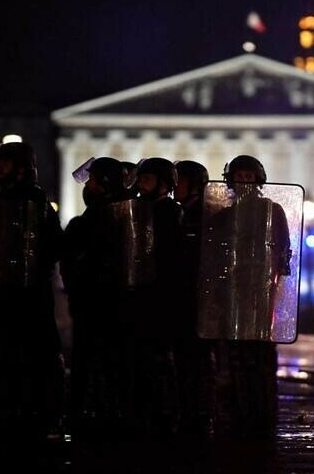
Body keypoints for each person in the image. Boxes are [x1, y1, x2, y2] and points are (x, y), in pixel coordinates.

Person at [0, 141, 65, 448]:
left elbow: (55, 245)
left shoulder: (37, 202)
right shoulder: (0, 201)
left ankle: (36, 416)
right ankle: (12, 411)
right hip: (3, 297)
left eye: (4, 164)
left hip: (31, 298)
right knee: (6, 356)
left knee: (35, 357)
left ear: (20, 167)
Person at [199, 155, 292, 438]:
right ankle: (240, 412)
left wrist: (273, 282)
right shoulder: (224, 215)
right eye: (239, 177)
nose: (244, 182)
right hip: (231, 295)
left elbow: (284, 253)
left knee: (260, 357)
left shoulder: (272, 210)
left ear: (258, 179)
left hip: (259, 295)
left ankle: (262, 412)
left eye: (248, 177)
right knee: (235, 359)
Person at [60, 157, 128, 432]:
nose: (88, 187)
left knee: (91, 362)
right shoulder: (124, 215)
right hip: (107, 303)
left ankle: (90, 416)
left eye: (92, 181)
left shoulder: (95, 220)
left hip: (96, 303)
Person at [129, 157, 183, 438]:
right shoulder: (142, 208)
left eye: (147, 179)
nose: (141, 184)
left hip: (159, 297)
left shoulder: (169, 212)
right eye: (141, 179)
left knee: (159, 359)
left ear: (164, 183)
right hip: (142, 294)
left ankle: (164, 415)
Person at [172, 160, 217, 439]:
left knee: (196, 362)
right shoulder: (182, 213)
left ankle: (199, 415)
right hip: (184, 299)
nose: (174, 186)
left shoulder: (202, 216)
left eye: (179, 181)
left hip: (197, 300)